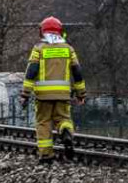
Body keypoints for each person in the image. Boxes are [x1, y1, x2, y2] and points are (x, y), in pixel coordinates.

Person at [20, 16, 87, 164]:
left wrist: (25, 93)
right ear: (60, 32)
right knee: (64, 119)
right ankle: (66, 132)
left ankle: (46, 156)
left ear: (42, 32)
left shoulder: (39, 49)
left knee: (43, 123)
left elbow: (31, 71)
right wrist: (81, 93)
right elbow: (77, 72)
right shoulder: (69, 49)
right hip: (63, 95)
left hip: (43, 96)